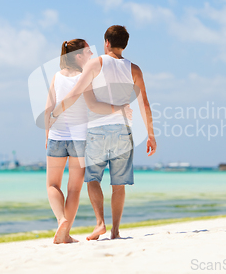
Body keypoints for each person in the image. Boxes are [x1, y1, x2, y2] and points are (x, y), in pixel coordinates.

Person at [50, 25, 157, 241]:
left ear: (106, 42)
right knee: (118, 185)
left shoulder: (96, 63)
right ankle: (115, 231)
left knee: (93, 179)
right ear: (124, 44)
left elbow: (74, 93)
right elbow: (144, 104)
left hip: (97, 130)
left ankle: (100, 223)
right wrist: (151, 135)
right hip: (123, 130)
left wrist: (55, 112)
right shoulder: (134, 69)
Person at [44, 39, 132, 244]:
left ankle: (61, 221)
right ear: (78, 56)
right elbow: (94, 106)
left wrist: (46, 134)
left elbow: (48, 108)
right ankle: (65, 232)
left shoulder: (56, 77)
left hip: (57, 137)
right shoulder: (87, 78)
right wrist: (119, 109)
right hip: (81, 139)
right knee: (74, 189)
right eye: (88, 52)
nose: (92, 55)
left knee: (52, 185)